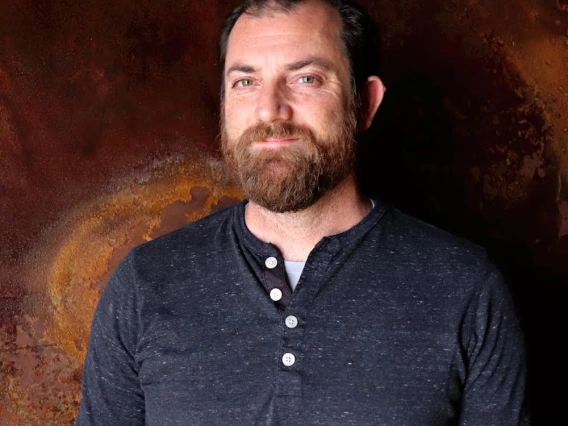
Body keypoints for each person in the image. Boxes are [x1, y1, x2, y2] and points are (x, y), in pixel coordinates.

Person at [76, 0, 529, 425]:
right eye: (245, 81)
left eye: (306, 78)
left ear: (365, 104)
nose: (270, 109)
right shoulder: (145, 283)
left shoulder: (464, 287)